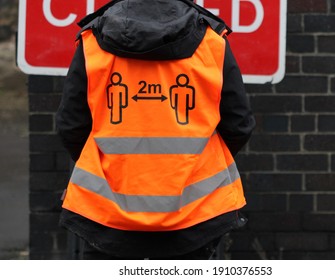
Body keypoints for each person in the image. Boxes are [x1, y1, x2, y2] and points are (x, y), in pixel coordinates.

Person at [56, 0, 256, 260]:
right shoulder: (211, 40)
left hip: (106, 213)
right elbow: (238, 124)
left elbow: (71, 125)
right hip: (195, 214)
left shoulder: (93, 41)